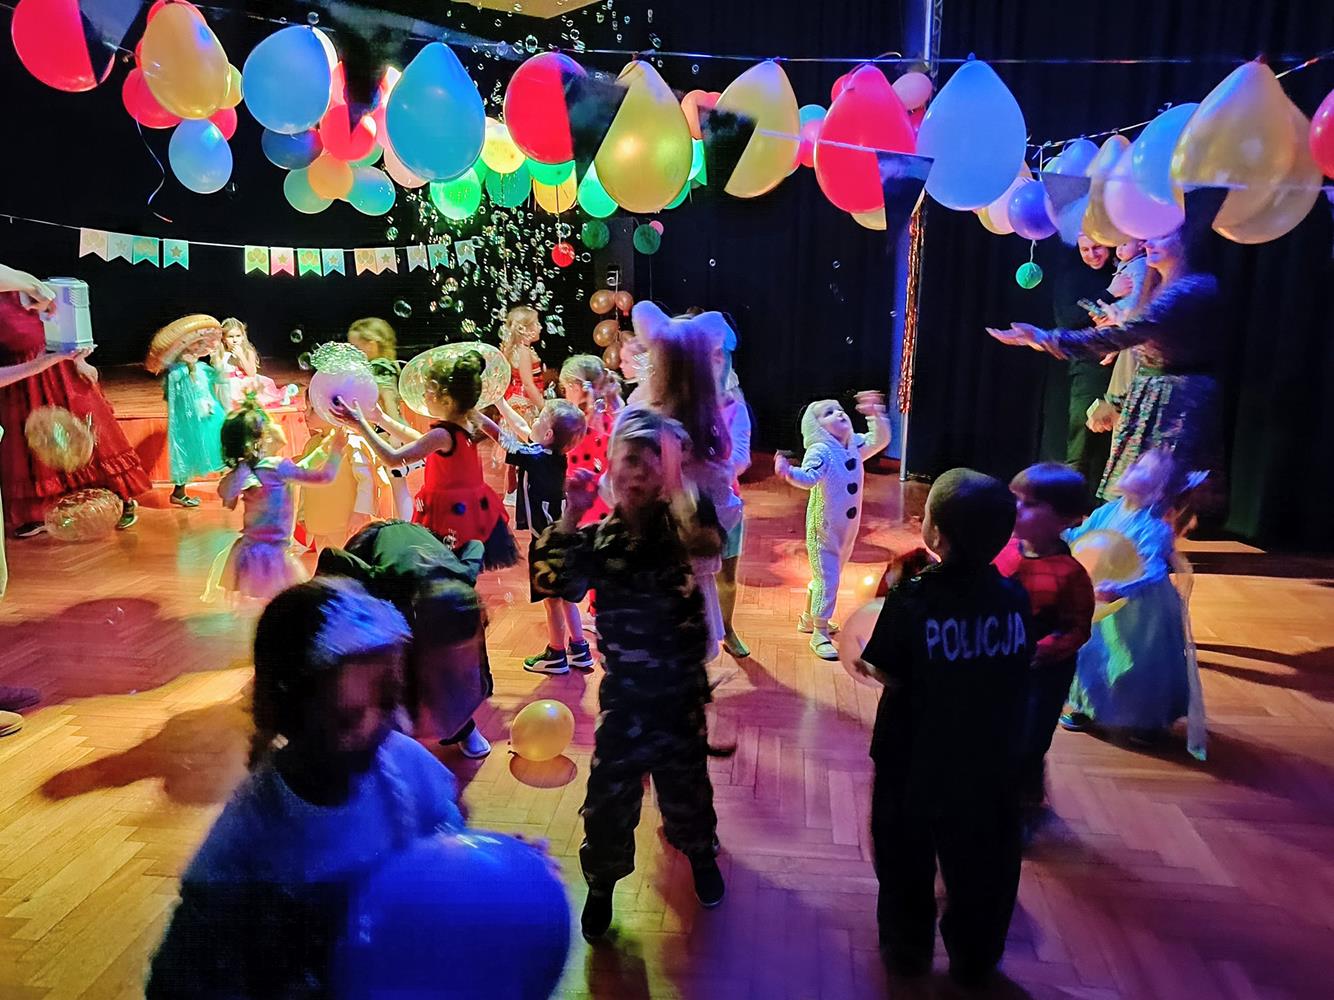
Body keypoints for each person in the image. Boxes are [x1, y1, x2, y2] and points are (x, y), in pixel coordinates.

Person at [146, 578, 466, 997]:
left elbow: (448, 844)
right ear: (293, 711)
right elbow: (185, 973)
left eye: (390, 700)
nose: (377, 726)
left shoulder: (406, 764)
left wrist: (489, 868)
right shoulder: (249, 836)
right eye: (348, 717)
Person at [531, 408, 727, 938]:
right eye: (629, 460)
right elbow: (556, 581)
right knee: (608, 800)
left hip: (680, 697)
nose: (639, 473)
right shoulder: (601, 539)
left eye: (652, 462)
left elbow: (709, 543)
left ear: (668, 472)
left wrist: (679, 481)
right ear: (612, 469)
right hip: (625, 702)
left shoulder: (680, 526)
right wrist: (571, 513)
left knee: (687, 792)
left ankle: (700, 854)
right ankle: (601, 883)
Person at [856, 469, 1031, 989]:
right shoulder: (1014, 597)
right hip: (990, 758)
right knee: (985, 865)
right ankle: (976, 959)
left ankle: (907, 951)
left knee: (904, 857)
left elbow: (887, 670)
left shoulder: (911, 599)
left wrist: (863, 657)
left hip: (913, 757)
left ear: (934, 533)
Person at [989, 226, 1223, 515]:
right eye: (1148, 236)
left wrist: (1046, 338)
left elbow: (1128, 334)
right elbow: (1134, 341)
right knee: (1136, 495)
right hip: (1150, 396)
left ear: (1186, 239)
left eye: (1160, 235)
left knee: (1160, 496)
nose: (1147, 242)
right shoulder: (1157, 288)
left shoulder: (1192, 288)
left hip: (1178, 404)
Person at [1062, 448, 1208, 757]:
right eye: (1135, 464)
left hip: (1141, 609)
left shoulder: (1153, 527)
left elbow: (1154, 570)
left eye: (1143, 470)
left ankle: (1148, 720)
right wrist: (1057, 532)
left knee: (1139, 663)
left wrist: (1123, 588)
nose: (1131, 470)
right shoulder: (1108, 511)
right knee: (1093, 652)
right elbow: (1083, 536)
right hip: (1102, 599)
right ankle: (1087, 704)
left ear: (1158, 490)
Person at [318, 520, 496, 759]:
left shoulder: (462, 575)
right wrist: (319, 603)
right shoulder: (386, 581)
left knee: (460, 667)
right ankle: (391, 728)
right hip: (374, 548)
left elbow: (476, 545)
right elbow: (331, 555)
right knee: (403, 661)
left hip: (426, 553)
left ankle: (463, 727)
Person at [624, 303, 744, 657]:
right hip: (683, 582)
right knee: (684, 662)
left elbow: (613, 492)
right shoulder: (707, 434)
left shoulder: (636, 423)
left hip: (648, 577)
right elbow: (725, 512)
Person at [0, 263, 149, 539]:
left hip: (62, 373)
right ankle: (42, 510)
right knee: (37, 446)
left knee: (89, 435)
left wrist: (80, 360)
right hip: (22, 380)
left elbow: (62, 323)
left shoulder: (26, 286)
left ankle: (120, 496)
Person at [340, 349, 519, 571]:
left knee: (445, 570)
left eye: (428, 391)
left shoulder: (442, 434)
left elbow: (393, 459)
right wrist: (381, 419)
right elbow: (422, 441)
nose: (424, 396)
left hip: (448, 515)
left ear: (446, 400)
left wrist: (360, 425)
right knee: (460, 568)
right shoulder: (469, 417)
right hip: (472, 510)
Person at [994, 463, 1095, 808]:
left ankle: (1025, 796)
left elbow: (1077, 627)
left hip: (1043, 672)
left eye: (1030, 504)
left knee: (1031, 735)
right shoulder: (1004, 550)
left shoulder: (1070, 573)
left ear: (1066, 519)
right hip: (1001, 660)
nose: (1016, 508)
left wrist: (1041, 651)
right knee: (999, 727)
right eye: (1014, 499)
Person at [775, 392, 891, 659]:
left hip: (846, 530)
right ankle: (820, 632)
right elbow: (808, 478)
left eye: (839, 409)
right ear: (817, 427)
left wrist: (875, 414)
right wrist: (788, 472)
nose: (839, 413)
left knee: (828, 576)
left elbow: (880, 440)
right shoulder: (821, 451)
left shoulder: (853, 446)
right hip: (824, 530)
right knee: (829, 580)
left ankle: (808, 618)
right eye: (828, 413)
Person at [493, 395, 596, 675]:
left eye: (538, 420)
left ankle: (556, 653)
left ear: (548, 434)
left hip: (547, 545)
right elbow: (520, 428)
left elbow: (503, 438)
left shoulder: (535, 458)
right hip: (566, 541)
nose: (533, 422)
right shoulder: (551, 456)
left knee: (552, 602)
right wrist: (500, 403)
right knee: (567, 599)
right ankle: (579, 649)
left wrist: (476, 415)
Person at [204, 399, 343, 603]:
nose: (276, 427)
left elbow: (227, 495)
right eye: (270, 425)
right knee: (281, 605)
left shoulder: (249, 470)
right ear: (262, 439)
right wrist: (336, 451)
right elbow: (324, 477)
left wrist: (325, 446)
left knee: (264, 605)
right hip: (274, 558)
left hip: (249, 553)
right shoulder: (276, 467)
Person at [1037, 235, 1115, 496]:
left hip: (1123, 366)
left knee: (1115, 442)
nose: (1092, 254)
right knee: (1083, 436)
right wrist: (1110, 293)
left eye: (1098, 247)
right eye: (1085, 249)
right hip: (1089, 369)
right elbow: (1067, 320)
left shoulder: (1124, 270)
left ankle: (1103, 507)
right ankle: (1069, 502)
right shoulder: (1072, 278)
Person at [146, 316, 227, 509]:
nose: (198, 349)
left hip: (208, 415)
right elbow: (175, 396)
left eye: (200, 344)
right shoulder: (176, 373)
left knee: (221, 443)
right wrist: (189, 368)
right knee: (188, 450)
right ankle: (179, 492)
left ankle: (231, 482)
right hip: (190, 421)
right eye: (194, 345)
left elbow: (218, 381)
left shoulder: (202, 368)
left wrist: (217, 364)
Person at [347, 317, 416, 521]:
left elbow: (388, 396)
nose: (353, 352)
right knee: (396, 483)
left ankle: (405, 522)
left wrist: (394, 436)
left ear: (371, 345)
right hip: (387, 430)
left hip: (388, 432)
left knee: (397, 483)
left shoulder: (379, 367)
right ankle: (402, 521)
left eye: (356, 347)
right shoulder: (382, 365)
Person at [295, 398, 385, 553]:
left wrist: (360, 512)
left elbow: (366, 480)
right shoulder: (311, 444)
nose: (305, 414)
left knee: (351, 559)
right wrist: (303, 514)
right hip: (319, 523)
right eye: (307, 408)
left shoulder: (353, 443)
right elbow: (306, 483)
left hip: (347, 525)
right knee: (326, 561)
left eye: (313, 409)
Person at [714, 319, 753, 659]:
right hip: (685, 504)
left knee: (726, 575)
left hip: (725, 503)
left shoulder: (734, 406)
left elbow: (741, 457)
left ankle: (726, 629)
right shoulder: (678, 402)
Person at [214, 318, 296, 410]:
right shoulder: (220, 354)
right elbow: (218, 373)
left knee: (262, 388)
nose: (235, 340)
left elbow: (251, 373)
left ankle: (283, 395)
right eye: (230, 336)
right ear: (224, 339)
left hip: (246, 382)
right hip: (229, 384)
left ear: (243, 336)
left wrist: (241, 356)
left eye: (238, 336)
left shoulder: (247, 352)